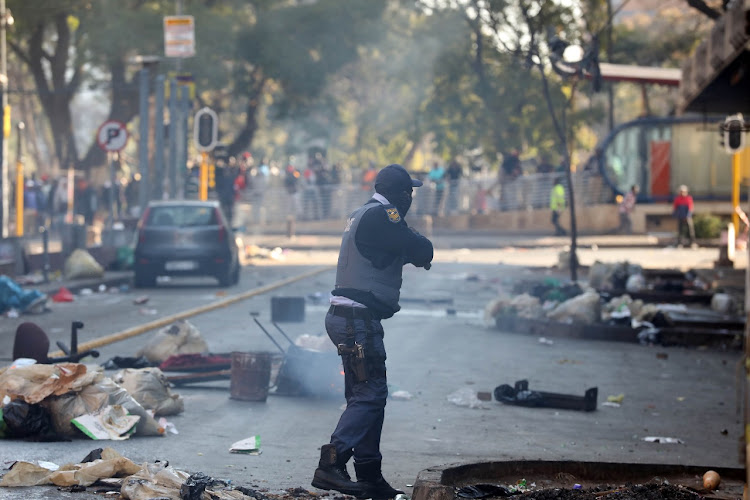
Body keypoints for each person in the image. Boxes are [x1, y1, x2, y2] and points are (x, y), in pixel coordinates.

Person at [312, 163, 433, 499]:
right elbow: (422, 248)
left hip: (350, 317)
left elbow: (391, 254)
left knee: (366, 396)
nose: (410, 198)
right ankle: (331, 463)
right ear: (397, 193)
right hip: (356, 320)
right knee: (371, 394)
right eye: (408, 192)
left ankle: (368, 474)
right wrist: (413, 248)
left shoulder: (364, 214)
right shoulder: (383, 215)